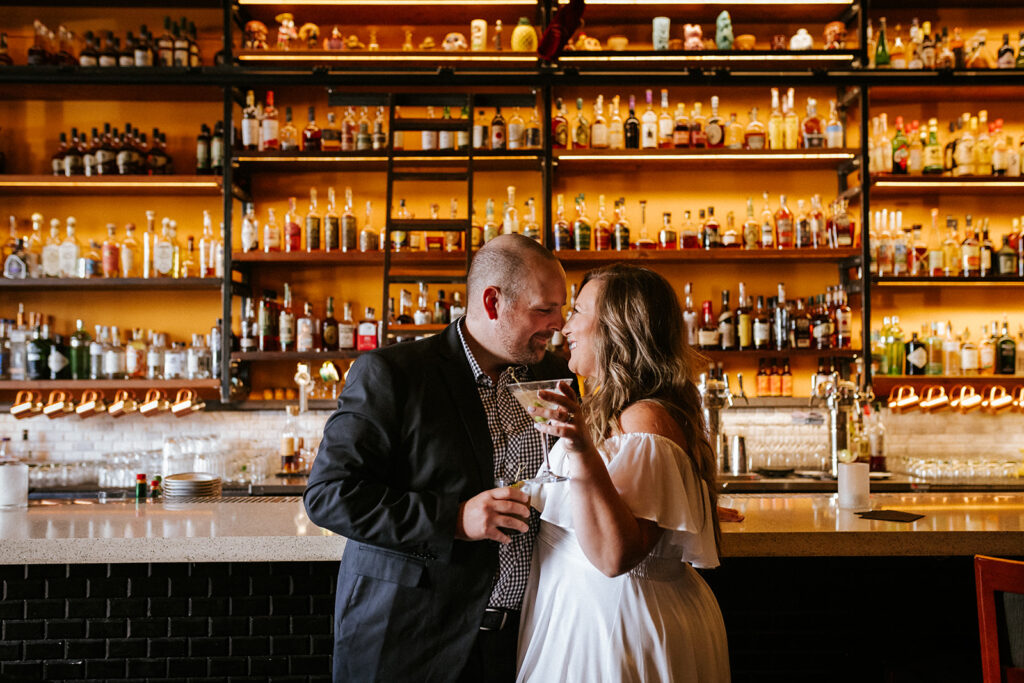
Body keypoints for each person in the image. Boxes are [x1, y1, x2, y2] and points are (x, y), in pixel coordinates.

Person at [304, 233, 575, 683]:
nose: (558, 324)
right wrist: (453, 519)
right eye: (544, 309)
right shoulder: (393, 373)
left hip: (527, 641)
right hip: (412, 642)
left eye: (561, 309)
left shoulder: (553, 375)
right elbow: (331, 495)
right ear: (492, 302)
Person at [516, 263, 731, 682]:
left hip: (617, 625)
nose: (564, 325)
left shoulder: (645, 419)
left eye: (578, 310)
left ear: (617, 327)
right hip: (588, 615)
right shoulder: (614, 411)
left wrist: (580, 450)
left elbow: (614, 557)